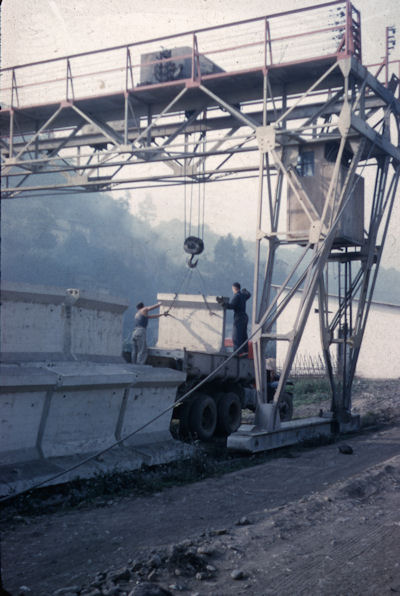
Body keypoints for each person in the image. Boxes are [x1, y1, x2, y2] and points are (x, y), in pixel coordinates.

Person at [218, 282, 251, 355]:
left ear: (234, 288)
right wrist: (245, 291)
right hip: (245, 317)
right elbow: (249, 295)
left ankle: (237, 352)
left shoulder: (237, 296)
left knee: (236, 336)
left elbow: (231, 306)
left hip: (239, 317)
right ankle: (245, 351)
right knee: (243, 335)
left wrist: (222, 303)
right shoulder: (243, 295)